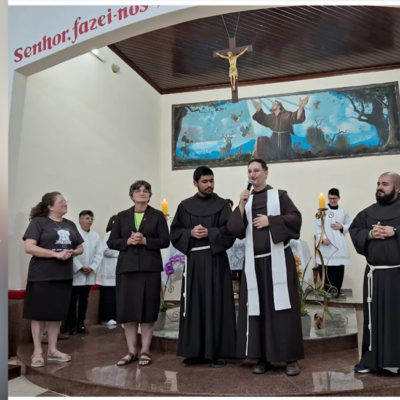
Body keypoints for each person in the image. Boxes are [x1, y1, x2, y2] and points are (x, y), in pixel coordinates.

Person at [227, 158, 303, 376]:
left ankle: (290, 359)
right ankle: (262, 357)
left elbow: (295, 219)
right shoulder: (246, 199)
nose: (252, 174)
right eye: (249, 171)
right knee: (257, 308)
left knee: (283, 308)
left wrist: (272, 221)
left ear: (266, 173)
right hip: (254, 264)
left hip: (277, 260)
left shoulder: (279, 196)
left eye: (256, 170)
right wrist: (241, 205)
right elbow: (234, 229)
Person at [170, 166, 236, 368]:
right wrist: (190, 233)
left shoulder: (222, 205)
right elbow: (175, 232)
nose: (210, 185)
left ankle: (217, 352)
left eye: (212, 181)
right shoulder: (185, 206)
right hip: (195, 262)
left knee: (216, 303)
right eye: (205, 181)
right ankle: (194, 352)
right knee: (194, 304)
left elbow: (230, 231)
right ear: (195, 183)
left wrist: (211, 232)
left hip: (215, 260)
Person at [108, 180, 170, 367]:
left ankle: (145, 351)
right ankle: (131, 351)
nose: (142, 193)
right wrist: (127, 241)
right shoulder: (122, 216)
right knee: (129, 311)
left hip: (149, 269)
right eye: (138, 190)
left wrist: (145, 241)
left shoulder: (158, 216)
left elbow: (165, 241)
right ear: (131, 195)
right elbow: (112, 242)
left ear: (150, 195)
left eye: (146, 191)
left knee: (147, 310)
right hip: (127, 269)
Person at [23, 192, 83, 368]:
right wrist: (55, 255)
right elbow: (29, 247)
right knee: (39, 314)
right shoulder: (38, 222)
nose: (65, 203)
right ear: (50, 206)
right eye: (61, 201)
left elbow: (80, 247)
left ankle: (53, 349)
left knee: (56, 315)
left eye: (65, 200)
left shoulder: (70, 224)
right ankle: (37, 352)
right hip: (41, 276)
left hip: (63, 276)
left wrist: (72, 252)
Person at [349, 171, 400, 374]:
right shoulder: (367, 213)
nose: (380, 187)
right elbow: (355, 230)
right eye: (378, 183)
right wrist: (370, 233)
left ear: (397, 188)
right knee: (372, 318)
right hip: (374, 275)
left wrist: (394, 231)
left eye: (385, 184)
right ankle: (370, 359)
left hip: (397, 275)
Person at [66, 210, 102, 335]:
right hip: (76, 273)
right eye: (87, 218)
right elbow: (71, 252)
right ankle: (71, 325)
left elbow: (99, 254)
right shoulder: (74, 233)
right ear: (80, 219)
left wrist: (92, 267)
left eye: (91, 219)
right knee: (72, 301)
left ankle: (81, 324)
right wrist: (80, 267)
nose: (90, 221)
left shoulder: (96, 236)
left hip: (89, 273)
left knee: (84, 300)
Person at [315, 188, 352, 297]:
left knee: (338, 267)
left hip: (338, 244)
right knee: (325, 266)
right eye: (330, 198)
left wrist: (342, 227)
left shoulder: (343, 212)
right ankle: (326, 290)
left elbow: (350, 226)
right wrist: (322, 238)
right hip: (326, 244)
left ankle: (336, 290)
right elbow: (317, 227)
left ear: (339, 198)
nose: (332, 201)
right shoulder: (321, 212)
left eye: (334, 198)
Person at [96, 215, 118, 326]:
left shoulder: (119, 235)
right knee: (108, 296)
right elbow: (105, 251)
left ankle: (114, 316)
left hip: (116, 271)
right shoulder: (109, 234)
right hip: (109, 271)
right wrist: (120, 254)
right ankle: (106, 317)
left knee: (115, 296)